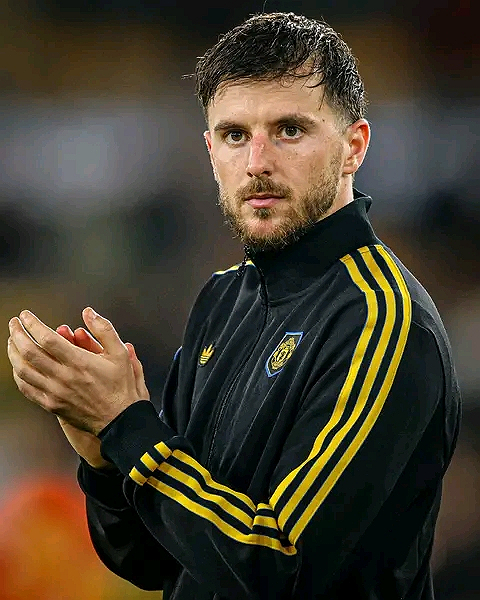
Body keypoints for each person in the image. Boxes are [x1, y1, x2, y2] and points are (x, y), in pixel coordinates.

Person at [7, 12, 461, 600]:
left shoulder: (380, 320)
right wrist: (102, 449)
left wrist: (128, 425)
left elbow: (278, 566)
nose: (257, 163)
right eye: (235, 135)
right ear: (210, 150)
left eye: (290, 130)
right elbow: (156, 559)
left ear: (354, 147)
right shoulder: (222, 299)